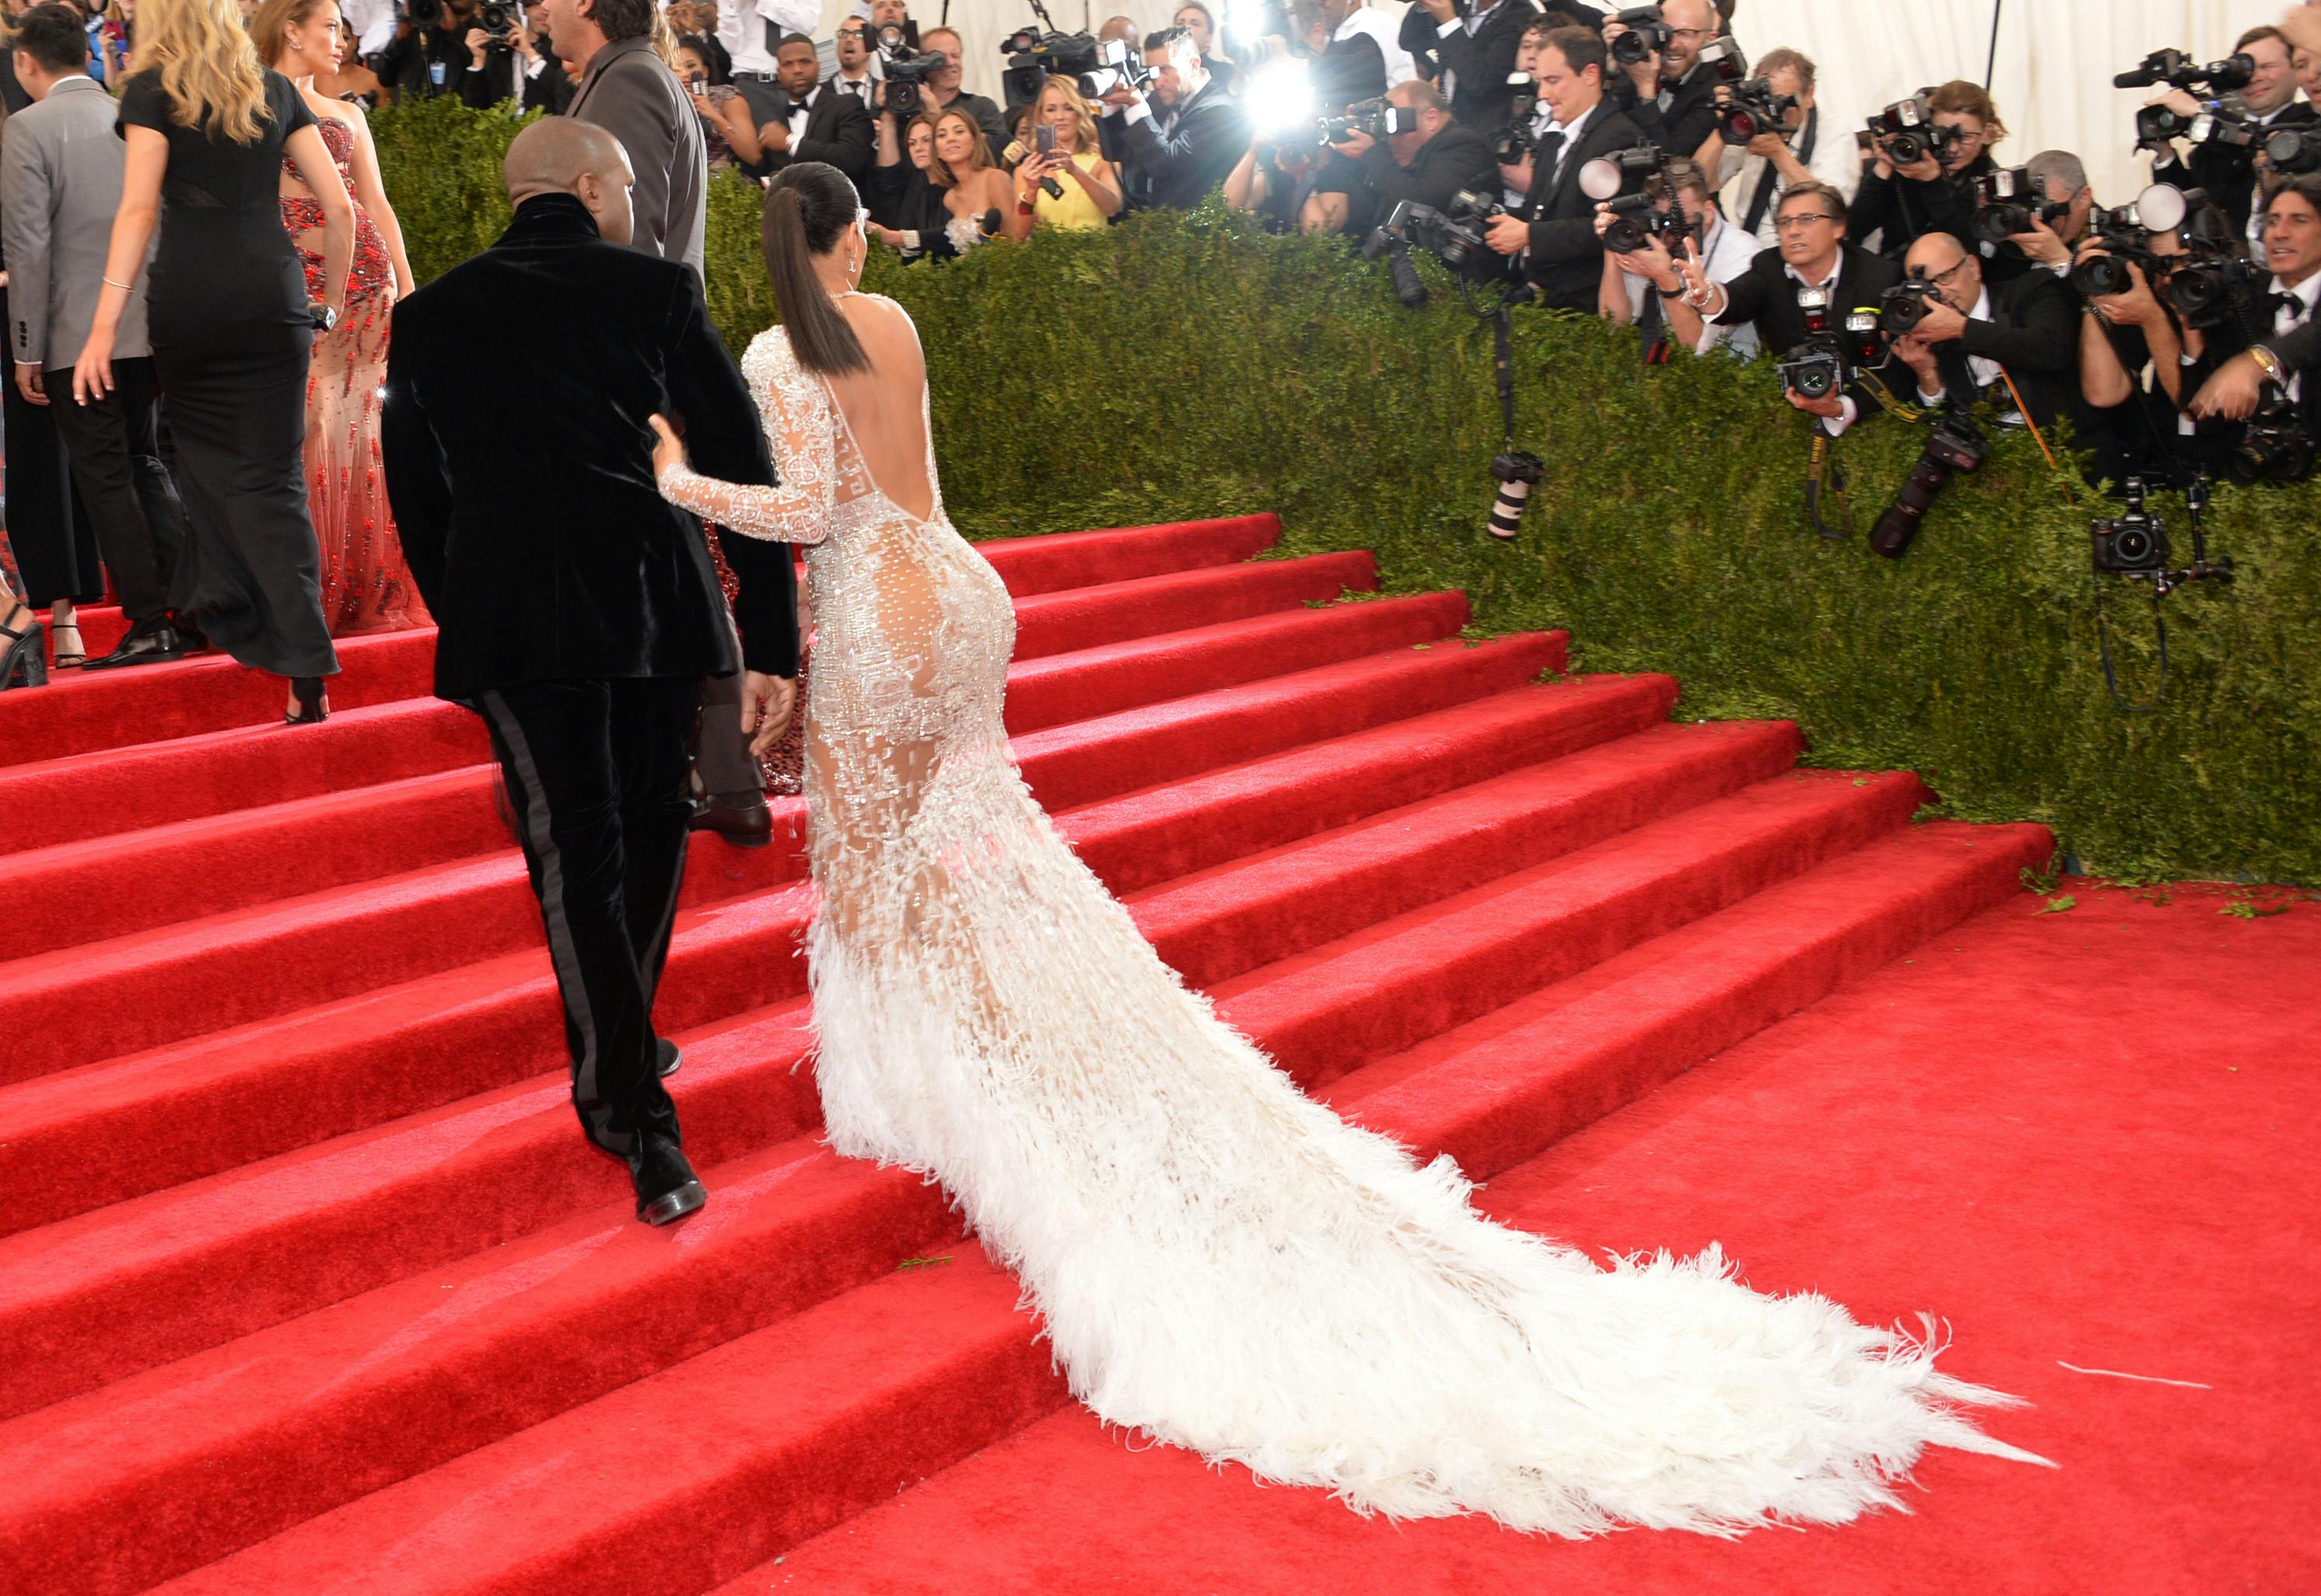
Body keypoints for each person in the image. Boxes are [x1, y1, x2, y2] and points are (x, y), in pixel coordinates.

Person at [649, 150, 2046, 1537]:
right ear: (848, 238)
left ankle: (913, 1087)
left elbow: (808, 513)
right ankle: (1006, 1051)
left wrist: (678, 478)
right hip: (964, 593)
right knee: (986, 841)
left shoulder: (781, 350)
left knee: (875, 863)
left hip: (877, 620)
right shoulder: (888, 322)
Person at [383, 118, 796, 1227]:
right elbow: (742, 464)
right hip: (655, 610)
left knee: (577, 850)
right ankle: (633, 1108)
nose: (634, 207)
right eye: (626, 188)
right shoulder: (655, 293)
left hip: (515, 626)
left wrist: (465, 604)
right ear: (589, 186)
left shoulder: (428, 317)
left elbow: (418, 500)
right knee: (651, 821)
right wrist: (770, 640)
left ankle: (624, 1077)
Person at [74, 0, 351, 723]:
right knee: (275, 479)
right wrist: (330, 303)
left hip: (191, 305)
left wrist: (101, 329)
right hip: (272, 295)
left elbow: (137, 213)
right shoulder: (276, 89)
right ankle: (303, 663)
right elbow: (340, 210)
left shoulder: (150, 91)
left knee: (197, 465)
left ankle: (223, 599)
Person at [5, 2, 192, 674]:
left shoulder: (28, 128)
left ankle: (148, 622)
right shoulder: (132, 114)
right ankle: (192, 607)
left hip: (75, 336)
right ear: (85, 53)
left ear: (26, 61)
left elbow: (27, 246)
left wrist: (27, 347)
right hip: (152, 323)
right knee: (147, 462)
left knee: (106, 476)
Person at [260, 0, 432, 681]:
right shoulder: (253, 113)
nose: (342, 39)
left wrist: (414, 297)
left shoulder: (351, 114)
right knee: (309, 430)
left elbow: (377, 208)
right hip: (297, 298)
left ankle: (364, 587)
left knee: (363, 437)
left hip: (369, 296)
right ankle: (309, 594)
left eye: (342, 26)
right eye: (329, 25)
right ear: (290, 28)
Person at [1669, 180, 1903, 437]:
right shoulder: (1769, 266)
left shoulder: (1879, 278)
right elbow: (1738, 298)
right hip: (1791, 417)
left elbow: (1898, 374)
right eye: (1784, 222)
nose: (1793, 231)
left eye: (1807, 219)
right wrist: (1706, 294)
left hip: (1867, 421)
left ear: (1839, 227)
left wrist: (1840, 407)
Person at [1483, 25, 1644, 312]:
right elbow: (1543, 211)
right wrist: (1496, 220)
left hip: (1584, 307)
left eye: (1553, 80)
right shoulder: (1553, 135)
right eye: (1540, 81)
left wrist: (1529, 235)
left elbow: (1611, 226)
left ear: (1591, 74)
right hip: (1541, 299)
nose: (1543, 93)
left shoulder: (1621, 137)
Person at [544, 0, 705, 278]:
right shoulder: (625, 73)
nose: (544, 6)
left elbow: (636, 238)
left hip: (634, 313)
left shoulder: (629, 79)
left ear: (584, 4)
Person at [1883, 228, 2078, 437]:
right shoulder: (1931, 335)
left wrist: (1963, 329)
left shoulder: (2029, 289)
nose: (1938, 294)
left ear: (1973, 267)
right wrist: (1927, 374)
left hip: (2064, 447)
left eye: (1944, 277)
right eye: (1922, 288)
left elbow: (2050, 349)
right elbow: (1944, 431)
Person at [2147, 25, 2314, 236]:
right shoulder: (2211, 145)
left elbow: (2266, 143)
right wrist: (2165, 155)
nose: (2255, 77)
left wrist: (2201, 111)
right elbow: (2183, 210)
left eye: (2267, 66)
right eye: (2245, 71)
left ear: (2295, 69)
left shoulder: (2310, 123)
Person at [2188, 173, 2321, 432]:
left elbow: (2313, 336)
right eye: (2272, 222)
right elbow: (2202, 418)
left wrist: (2257, 363)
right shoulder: (2241, 296)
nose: (2280, 233)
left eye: (2299, 221)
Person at [1594, 154, 1758, 359]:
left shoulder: (1743, 254)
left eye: (1682, 220)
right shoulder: (1656, 240)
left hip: (1732, 374)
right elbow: (1615, 323)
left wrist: (1666, 280)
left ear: (1708, 211)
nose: (1673, 232)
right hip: (1670, 371)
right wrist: (1612, 243)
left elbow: (1703, 352)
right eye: (1664, 221)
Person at [1700, 47, 1857, 250]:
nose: (1774, 112)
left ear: (1809, 94)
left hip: (1809, 249)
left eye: (1782, 101)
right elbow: (1703, 184)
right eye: (1766, 100)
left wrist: (1778, 154)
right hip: (1751, 249)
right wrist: (1727, 124)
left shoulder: (1834, 132)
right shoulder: (1753, 120)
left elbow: (1833, 206)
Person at [1308, 77, 1493, 238]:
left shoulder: (1463, 144)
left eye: (1395, 123)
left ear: (1432, 119)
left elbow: (1422, 202)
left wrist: (1370, 153)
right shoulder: (1395, 161)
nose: (1390, 138)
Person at [1850, 79, 2004, 271]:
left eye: (1965, 138)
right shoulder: (1908, 164)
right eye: (1944, 135)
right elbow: (1855, 229)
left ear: (1986, 133)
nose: (1954, 148)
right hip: (1896, 279)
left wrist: (1933, 183)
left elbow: (1968, 250)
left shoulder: (1993, 185)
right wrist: (1884, 167)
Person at [1102, 24, 1250, 211]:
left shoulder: (1220, 110)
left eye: (1166, 70)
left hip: (1197, 232)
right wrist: (1111, 108)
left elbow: (1166, 166)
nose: (1158, 81)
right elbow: (1117, 154)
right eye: (1152, 71)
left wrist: (1136, 105)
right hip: (1154, 224)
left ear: (1194, 65)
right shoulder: (1157, 100)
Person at [1599, 0, 1720, 162]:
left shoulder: (1715, 91)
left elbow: (1670, 163)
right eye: (1667, 31)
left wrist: (1646, 91)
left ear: (1710, 38)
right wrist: (1611, 71)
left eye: (1686, 34)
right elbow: (1603, 132)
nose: (1673, 44)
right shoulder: (1639, 63)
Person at [1006, 75, 1122, 239]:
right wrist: (1031, 191)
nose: (1060, 116)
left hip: (1096, 256)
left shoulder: (1103, 161)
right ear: (1042, 115)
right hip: (1049, 259)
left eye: (1068, 108)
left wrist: (1075, 170)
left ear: (1080, 111)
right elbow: (1019, 235)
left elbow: (1112, 208)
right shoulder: (1028, 168)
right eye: (1051, 109)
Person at [1397, 0, 1535, 133]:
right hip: (1447, 121)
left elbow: (1479, 80)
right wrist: (1426, 4)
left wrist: (1449, 21)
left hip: (1485, 130)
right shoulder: (1461, 5)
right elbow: (1410, 41)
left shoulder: (1521, 14)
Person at [755, 31, 872, 186]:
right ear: (779, 73)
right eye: (788, 64)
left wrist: (790, 142)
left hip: (840, 206)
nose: (797, 69)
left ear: (818, 67)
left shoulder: (847, 104)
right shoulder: (775, 122)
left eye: (805, 62)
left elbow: (851, 159)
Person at [868, 104, 950, 260]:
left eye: (926, 140)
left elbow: (953, 236)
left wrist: (897, 238)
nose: (918, 148)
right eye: (912, 143)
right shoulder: (915, 189)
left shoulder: (956, 186)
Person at [925, 103, 1011, 252]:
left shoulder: (995, 179)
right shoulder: (950, 198)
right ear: (936, 150)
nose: (951, 139)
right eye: (942, 135)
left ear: (974, 141)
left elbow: (1016, 239)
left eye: (959, 131)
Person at [915, 26, 1008, 154]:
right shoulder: (911, 110)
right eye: (939, 58)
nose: (950, 63)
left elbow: (997, 153)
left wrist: (937, 114)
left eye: (955, 55)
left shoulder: (982, 107)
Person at [674, 34, 761, 170]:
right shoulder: (665, 104)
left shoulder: (727, 98)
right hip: (681, 186)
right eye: (675, 69)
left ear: (706, 70)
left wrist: (715, 117)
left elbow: (753, 155)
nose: (684, 74)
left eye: (690, 66)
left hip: (725, 185)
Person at [459, 0, 558, 107]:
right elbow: (474, 108)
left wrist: (530, 54)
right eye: (535, 3)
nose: (544, 10)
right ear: (521, 8)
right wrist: (478, 61)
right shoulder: (500, 53)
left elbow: (564, 94)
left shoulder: (561, 50)